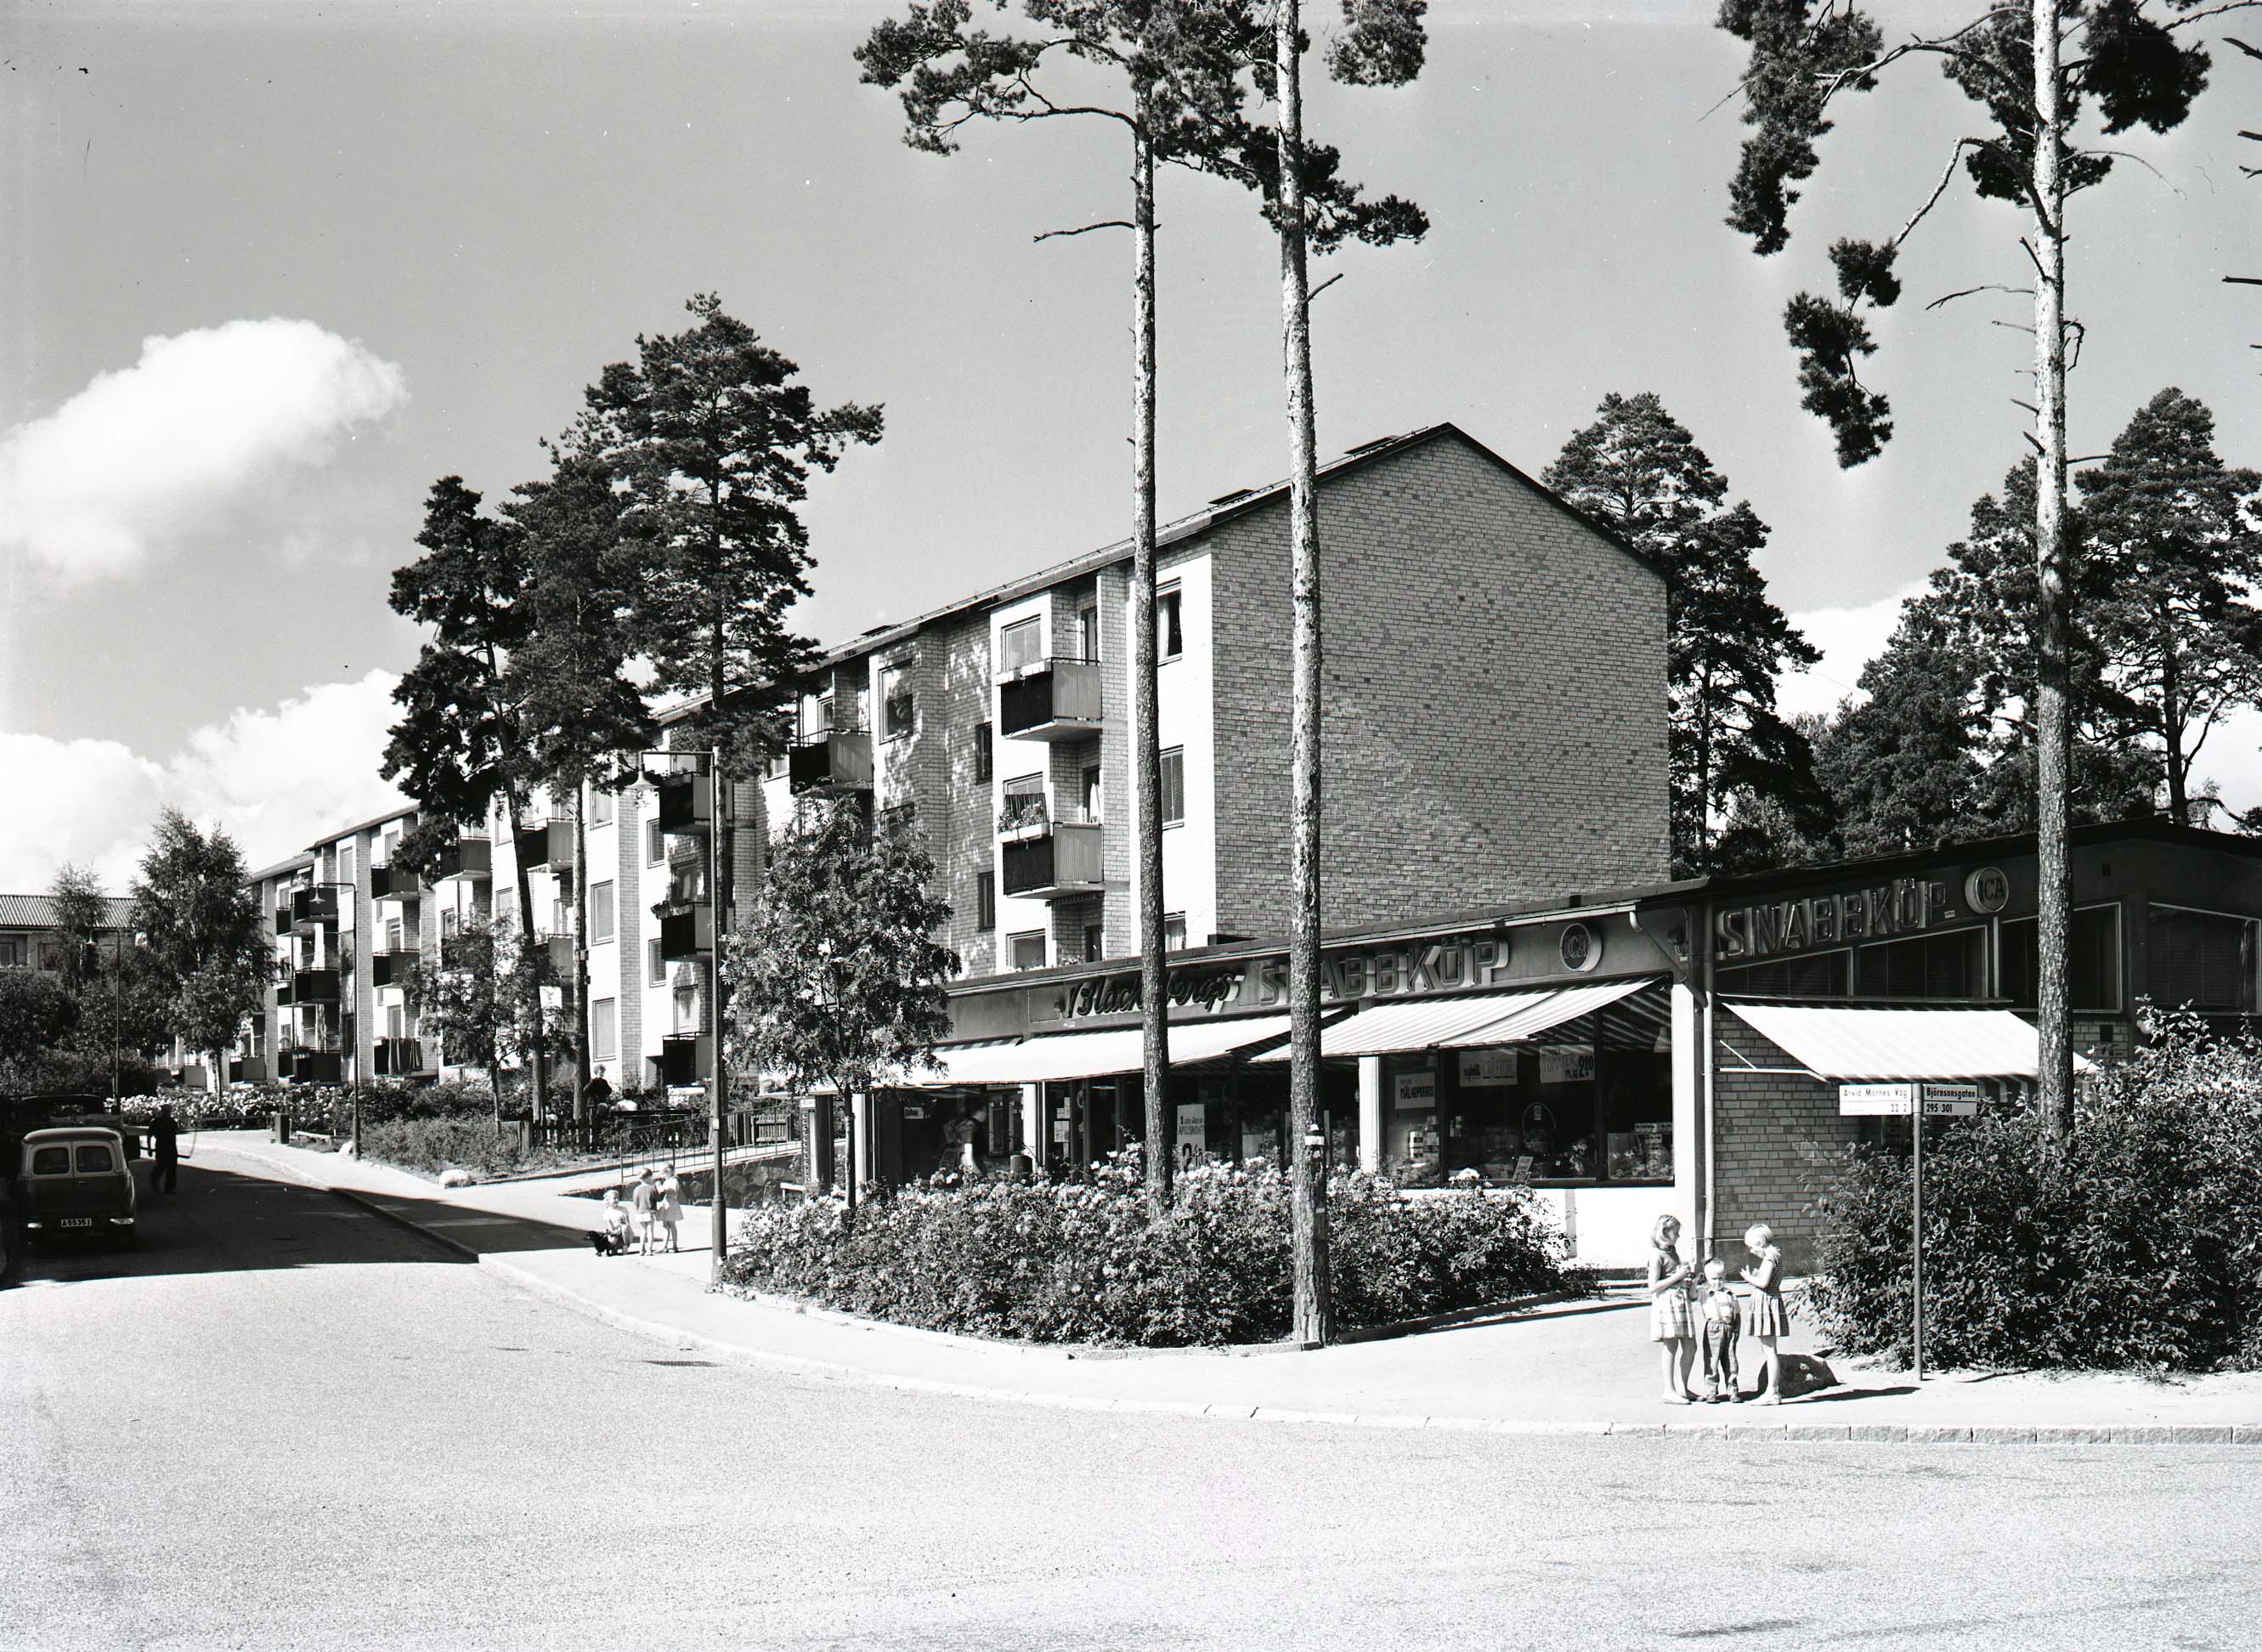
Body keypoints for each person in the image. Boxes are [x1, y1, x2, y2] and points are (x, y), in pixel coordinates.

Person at [1647, 1213, 1696, 1404]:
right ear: (1665, 1232)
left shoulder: (1672, 1251)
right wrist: (1678, 1277)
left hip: (1680, 1301)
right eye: (1676, 1232)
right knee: (1671, 1346)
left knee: (1691, 1346)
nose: (1679, 1236)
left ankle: (1683, 1388)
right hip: (1667, 1304)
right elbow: (1653, 1287)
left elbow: (1674, 1275)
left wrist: (1687, 1278)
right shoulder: (1656, 1256)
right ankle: (1669, 1390)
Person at [1739, 1223, 1790, 1405]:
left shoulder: (1770, 1258)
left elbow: (1763, 1282)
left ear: (1760, 1242)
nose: (1752, 1251)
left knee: (1769, 1350)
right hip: (1770, 1301)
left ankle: (1772, 1392)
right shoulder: (1775, 1255)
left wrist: (1748, 1278)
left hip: (1766, 1302)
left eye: (1752, 1247)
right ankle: (1772, 1391)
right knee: (1768, 1348)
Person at [1697, 1256, 1742, 1403]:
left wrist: (1736, 1332)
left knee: (1731, 1361)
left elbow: (1737, 1314)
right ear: (1707, 1278)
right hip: (1713, 1329)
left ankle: (1733, 1391)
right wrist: (1695, 1280)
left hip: (1729, 1329)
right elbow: (1692, 1295)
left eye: (1721, 1278)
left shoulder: (1731, 1295)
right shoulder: (1704, 1293)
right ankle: (1711, 1392)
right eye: (1714, 1279)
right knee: (1712, 1360)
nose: (1718, 1282)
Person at [589, 1189, 631, 1257]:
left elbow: (627, 1223)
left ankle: (625, 1246)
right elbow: (610, 1227)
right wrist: (614, 1232)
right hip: (614, 1232)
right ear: (608, 1200)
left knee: (625, 1228)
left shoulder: (623, 1210)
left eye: (617, 1198)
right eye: (614, 1198)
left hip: (624, 1232)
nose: (616, 1200)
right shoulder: (607, 1213)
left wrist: (622, 1229)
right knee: (612, 1241)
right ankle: (614, 1247)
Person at [150, 1106, 179, 1196]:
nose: (167, 1113)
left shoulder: (173, 1122)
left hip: (171, 1147)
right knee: (161, 1165)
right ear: (162, 1111)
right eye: (166, 1111)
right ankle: (154, 1178)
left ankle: (170, 1188)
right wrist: (149, 1148)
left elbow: (175, 1133)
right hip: (161, 1147)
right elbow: (149, 1135)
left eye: (169, 1111)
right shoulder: (156, 1122)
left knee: (172, 1168)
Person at [630, 1168, 658, 1257]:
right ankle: (649, 1249)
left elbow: (634, 1201)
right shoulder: (652, 1188)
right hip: (649, 1212)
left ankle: (641, 1249)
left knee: (643, 1231)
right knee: (650, 1231)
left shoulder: (636, 1189)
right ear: (649, 1177)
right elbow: (657, 1197)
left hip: (639, 1212)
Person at [655, 1163, 682, 1254]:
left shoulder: (673, 1181)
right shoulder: (668, 1181)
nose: (662, 1176)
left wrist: (661, 1188)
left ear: (669, 1171)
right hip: (666, 1204)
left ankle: (674, 1245)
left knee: (671, 1225)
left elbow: (672, 1190)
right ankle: (665, 1246)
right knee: (665, 1225)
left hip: (671, 1204)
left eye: (663, 1173)